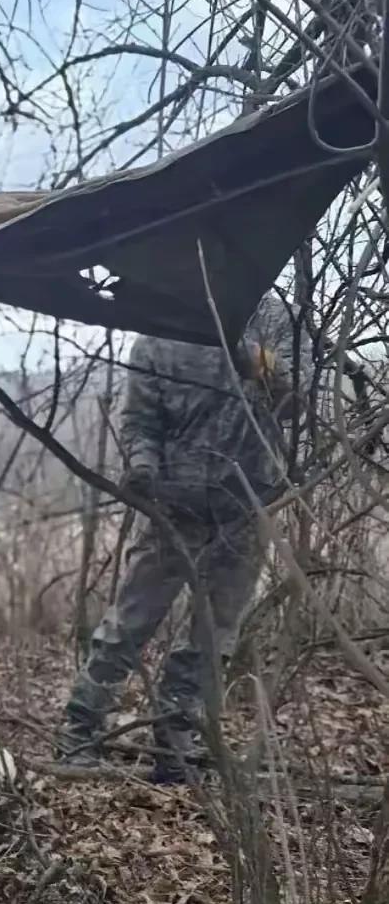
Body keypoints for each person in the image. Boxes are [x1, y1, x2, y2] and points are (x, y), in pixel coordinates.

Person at [57, 292, 299, 782]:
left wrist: (255, 358)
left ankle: (175, 746)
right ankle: (78, 735)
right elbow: (141, 421)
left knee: (212, 637)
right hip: (174, 503)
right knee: (128, 624)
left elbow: (297, 401)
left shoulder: (275, 317)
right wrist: (143, 469)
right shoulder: (160, 325)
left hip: (247, 504)